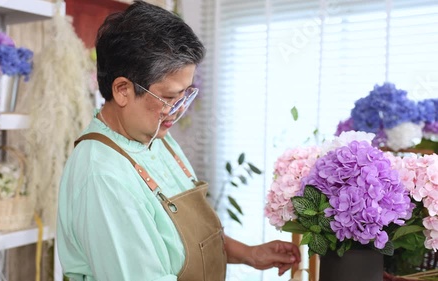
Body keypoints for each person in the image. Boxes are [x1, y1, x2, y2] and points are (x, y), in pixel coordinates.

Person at [56, 1, 300, 280]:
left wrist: (248, 254)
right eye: (170, 97)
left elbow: (181, 244)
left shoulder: (156, 136)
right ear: (123, 90)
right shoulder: (101, 176)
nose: (178, 109)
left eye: (185, 94)